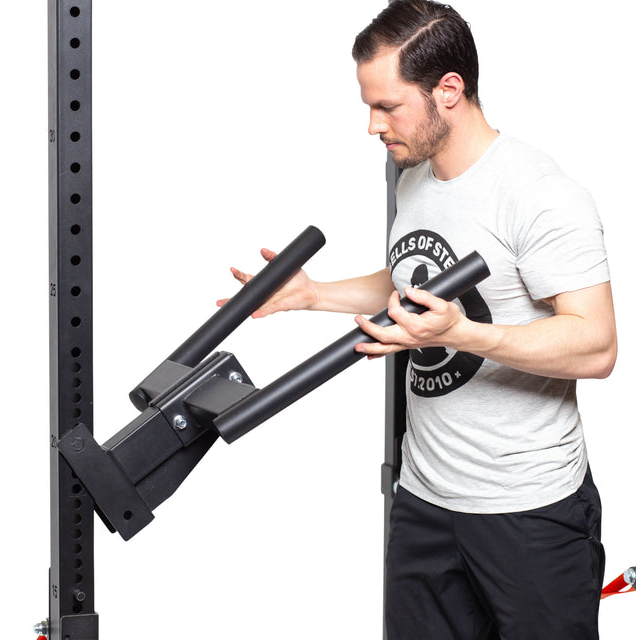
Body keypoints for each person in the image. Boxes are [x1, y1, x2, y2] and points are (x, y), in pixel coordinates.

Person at [218, 1, 617, 638]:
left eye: (388, 105)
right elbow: (411, 276)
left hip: (528, 508)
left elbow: (596, 346)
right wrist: (315, 294)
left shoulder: (540, 193)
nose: (372, 126)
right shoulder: (418, 178)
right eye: (368, 105)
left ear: (449, 90)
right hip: (425, 500)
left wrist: (463, 334)